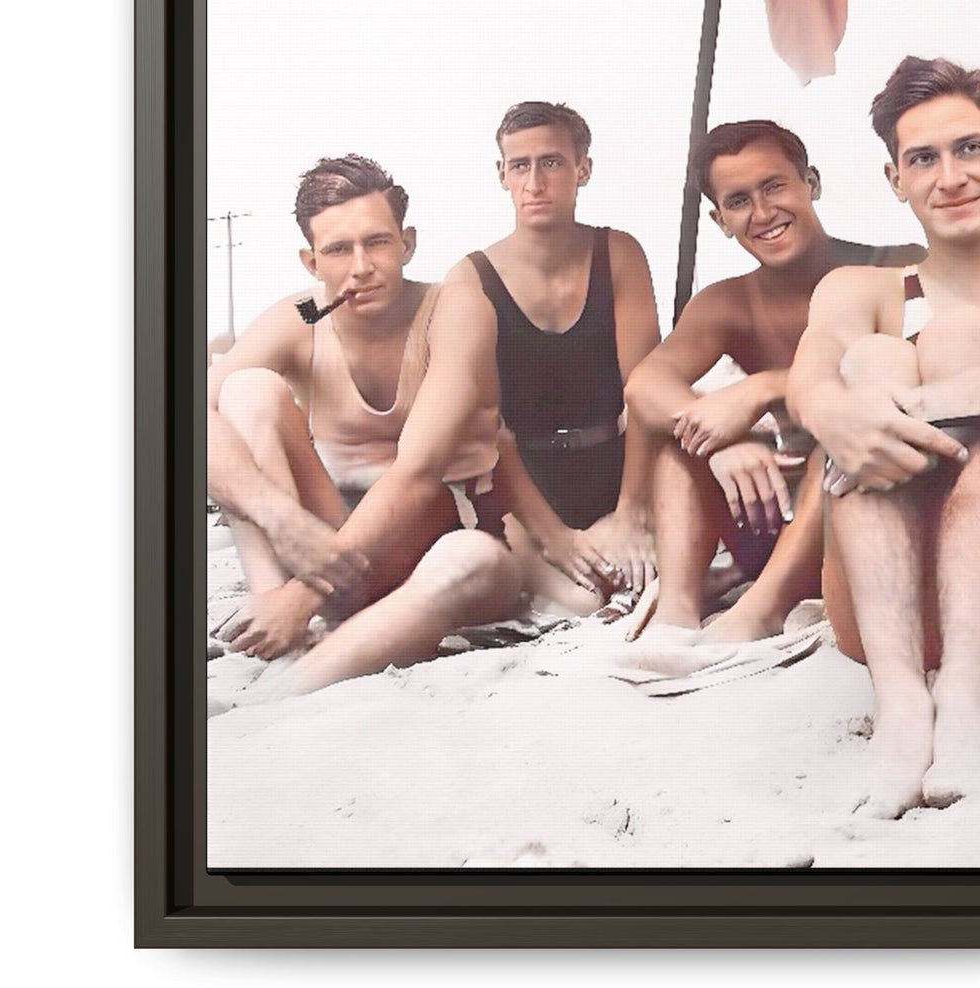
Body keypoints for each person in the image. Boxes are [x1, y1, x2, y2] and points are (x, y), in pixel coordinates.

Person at [787, 57, 980, 819]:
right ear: (895, 179)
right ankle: (902, 706)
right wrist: (846, 410)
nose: (949, 175)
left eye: (969, 148)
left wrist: (922, 404)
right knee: (870, 357)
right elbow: (809, 384)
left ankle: (965, 692)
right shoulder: (860, 288)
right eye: (922, 158)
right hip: (882, 602)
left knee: (953, 341)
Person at [206, 154, 537, 698]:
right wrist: (281, 518)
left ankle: (273, 695)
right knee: (245, 390)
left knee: (472, 558)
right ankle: (273, 626)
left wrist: (303, 596)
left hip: (436, 555)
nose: (361, 266)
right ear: (311, 260)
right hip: (324, 551)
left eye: (377, 242)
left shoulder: (453, 307)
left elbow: (418, 471)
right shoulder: (300, 318)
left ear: (406, 242)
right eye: (338, 249)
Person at [624, 119, 922, 639]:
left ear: (812, 182)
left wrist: (762, 386)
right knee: (682, 445)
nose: (762, 214)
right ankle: (677, 612)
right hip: (765, 509)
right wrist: (723, 445)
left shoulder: (895, 268)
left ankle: (761, 612)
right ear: (719, 219)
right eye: (739, 201)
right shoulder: (728, 301)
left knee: (829, 445)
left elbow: (923, 372)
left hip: (865, 501)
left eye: (774, 186)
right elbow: (645, 385)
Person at [446, 101, 662, 602]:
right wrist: (553, 537)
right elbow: (484, 423)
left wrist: (631, 511)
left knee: (643, 581)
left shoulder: (618, 253)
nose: (535, 182)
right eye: (520, 166)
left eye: (552, 163)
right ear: (501, 174)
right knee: (582, 605)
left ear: (582, 168)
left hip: (615, 465)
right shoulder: (470, 277)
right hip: (524, 483)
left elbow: (646, 391)